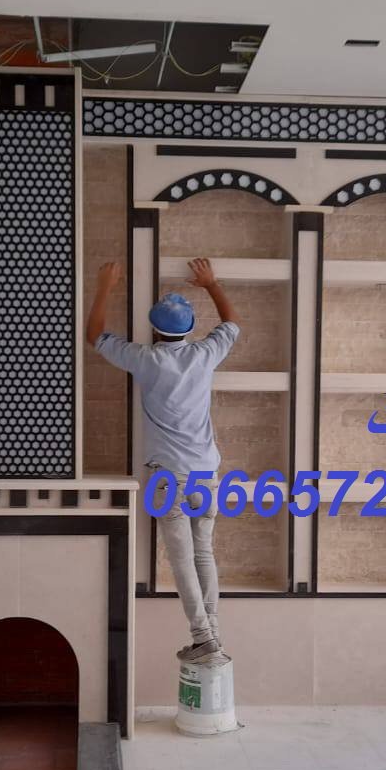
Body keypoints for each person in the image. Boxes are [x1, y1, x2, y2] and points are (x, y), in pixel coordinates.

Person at [88, 258, 240, 664]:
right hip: (206, 474)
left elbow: (94, 335)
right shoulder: (205, 354)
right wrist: (211, 284)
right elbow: (231, 323)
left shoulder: (146, 359)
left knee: (183, 559)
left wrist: (105, 286)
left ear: (154, 330)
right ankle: (212, 635)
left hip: (167, 478)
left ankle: (203, 638)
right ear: (189, 329)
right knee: (203, 553)